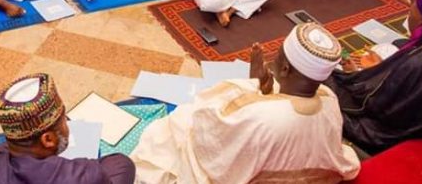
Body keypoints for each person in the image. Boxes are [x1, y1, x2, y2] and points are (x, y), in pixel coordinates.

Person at [131, 22, 361, 183]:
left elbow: (209, 130)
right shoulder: (329, 98)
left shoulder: (254, 114)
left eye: (278, 55)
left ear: (284, 68)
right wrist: (264, 88)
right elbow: (288, 104)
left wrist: (252, 83)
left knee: (181, 120)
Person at [327, 0, 422, 154]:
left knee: (324, 80)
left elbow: (373, 104)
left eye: (413, 7)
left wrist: (359, 74)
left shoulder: (418, 64)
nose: (410, 10)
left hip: (385, 134)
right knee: (396, 45)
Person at [0, 73, 137, 184]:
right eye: (63, 120)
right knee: (121, 163)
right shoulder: (86, 175)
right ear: (47, 139)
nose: (67, 124)